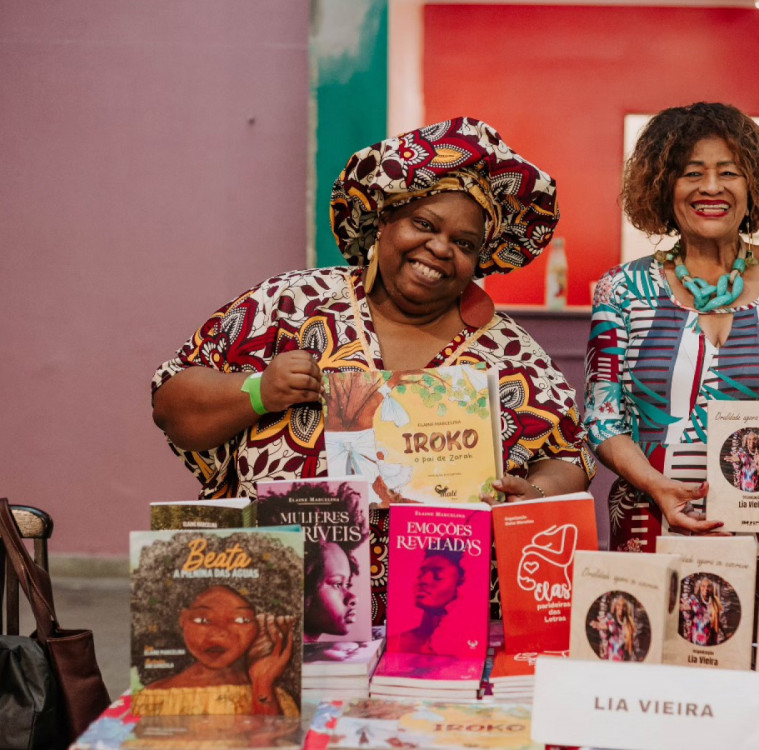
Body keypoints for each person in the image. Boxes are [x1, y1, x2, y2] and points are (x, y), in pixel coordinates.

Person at [151, 117, 595, 619]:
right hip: (276, 615)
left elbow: (569, 454)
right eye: (424, 224)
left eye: (465, 243)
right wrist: (258, 391)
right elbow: (171, 404)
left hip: (443, 624)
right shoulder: (290, 305)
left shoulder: (509, 354)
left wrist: (534, 496)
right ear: (383, 220)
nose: (441, 248)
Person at [585, 101, 759, 553]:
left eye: (729, 172)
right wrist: (656, 485)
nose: (711, 187)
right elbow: (603, 419)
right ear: (664, 187)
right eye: (692, 173)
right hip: (651, 526)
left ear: (753, 183)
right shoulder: (621, 288)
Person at [134, 585, 298, 716]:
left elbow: (269, 741)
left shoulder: (277, 699)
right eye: (202, 619)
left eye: (241, 619)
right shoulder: (151, 698)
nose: (219, 632)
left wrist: (262, 683)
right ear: (182, 619)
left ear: (260, 627)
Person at [387, 546, 465, 655]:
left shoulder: (467, 644)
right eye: (422, 573)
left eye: (438, 576)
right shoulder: (396, 643)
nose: (424, 580)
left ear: (461, 582)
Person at [589, 594, 638, 661]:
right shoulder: (610, 617)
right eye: (618, 605)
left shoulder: (629, 622)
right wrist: (604, 628)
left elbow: (632, 642)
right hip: (610, 655)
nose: (621, 608)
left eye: (623, 606)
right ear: (615, 606)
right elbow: (604, 635)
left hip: (623, 658)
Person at [680, 576, 724, 646]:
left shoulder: (715, 601)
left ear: (712, 588)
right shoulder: (693, 599)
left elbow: (719, 619)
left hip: (711, 637)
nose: (706, 589)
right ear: (699, 587)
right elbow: (687, 617)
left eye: (708, 586)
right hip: (697, 637)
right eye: (703, 586)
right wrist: (687, 610)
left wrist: (723, 633)